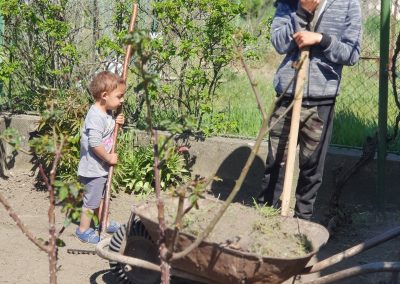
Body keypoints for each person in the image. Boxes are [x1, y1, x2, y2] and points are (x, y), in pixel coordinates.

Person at [256, 0, 362, 220]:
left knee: (312, 170)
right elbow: (278, 42)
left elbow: (352, 53)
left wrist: (322, 40)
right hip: (287, 97)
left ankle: (301, 227)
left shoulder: (348, 3)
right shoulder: (288, 2)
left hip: (321, 101)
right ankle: (265, 222)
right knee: (275, 164)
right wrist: (302, 14)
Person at [75, 71, 125, 244]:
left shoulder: (105, 113)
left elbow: (107, 127)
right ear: (104, 96)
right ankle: (83, 230)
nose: (122, 100)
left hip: (99, 167)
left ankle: (104, 222)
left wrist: (116, 121)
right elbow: (95, 143)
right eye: (119, 96)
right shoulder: (95, 116)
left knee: (101, 198)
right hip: (93, 170)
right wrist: (109, 157)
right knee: (91, 202)